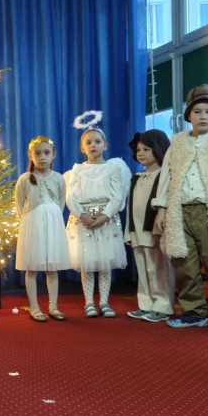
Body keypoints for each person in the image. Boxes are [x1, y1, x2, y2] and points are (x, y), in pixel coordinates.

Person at [153, 84, 208, 334]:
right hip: (180, 211)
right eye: (197, 112)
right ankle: (194, 311)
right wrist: (162, 209)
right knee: (184, 264)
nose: (203, 116)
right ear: (188, 115)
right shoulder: (177, 143)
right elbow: (167, 176)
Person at [65, 126, 130, 317]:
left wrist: (104, 216)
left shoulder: (113, 168)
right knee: (87, 262)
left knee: (104, 263)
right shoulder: (77, 171)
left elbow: (117, 196)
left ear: (105, 145)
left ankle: (104, 302)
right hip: (83, 220)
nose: (93, 145)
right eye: (88, 142)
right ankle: (89, 302)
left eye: (97, 141)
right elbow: (70, 197)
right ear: (82, 148)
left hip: (106, 220)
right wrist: (82, 215)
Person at [14, 136, 70, 321]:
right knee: (32, 268)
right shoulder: (25, 179)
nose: (42, 157)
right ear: (31, 155)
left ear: (53, 154)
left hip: (53, 226)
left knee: (52, 268)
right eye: (37, 153)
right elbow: (19, 205)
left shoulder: (59, 178)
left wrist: (52, 216)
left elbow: (61, 202)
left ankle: (53, 306)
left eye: (46, 153)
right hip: (32, 227)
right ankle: (34, 306)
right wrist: (28, 222)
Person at [124, 129, 173, 322]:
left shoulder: (164, 176)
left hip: (154, 231)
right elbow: (130, 206)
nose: (141, 153)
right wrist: (128, 232)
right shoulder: (137, 177)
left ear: (159, 149)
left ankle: (163, 306)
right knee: (143, 269)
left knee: (158, 269)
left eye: (146, 149)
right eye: (138, 150)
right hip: (137, 232)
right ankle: (145, 304)